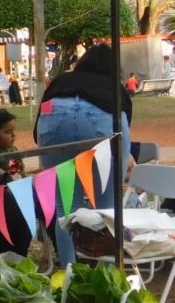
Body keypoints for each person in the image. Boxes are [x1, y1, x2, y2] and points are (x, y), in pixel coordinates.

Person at [34, 42, 133, 266]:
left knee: (66, 209)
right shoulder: (115, 88)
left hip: (53, 118)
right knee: (107, 206)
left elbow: (41, 115)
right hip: (101, 122)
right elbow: (123, 127)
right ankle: (107, 273)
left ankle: (68, 273)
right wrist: (125, 157)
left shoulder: (61, 81)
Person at [0, 108, 33, 264]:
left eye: (13, 131)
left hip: (16, 195)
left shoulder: (13, 151)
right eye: (8, 132)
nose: (13, 135)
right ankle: (0, 259)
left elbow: (16, 174)